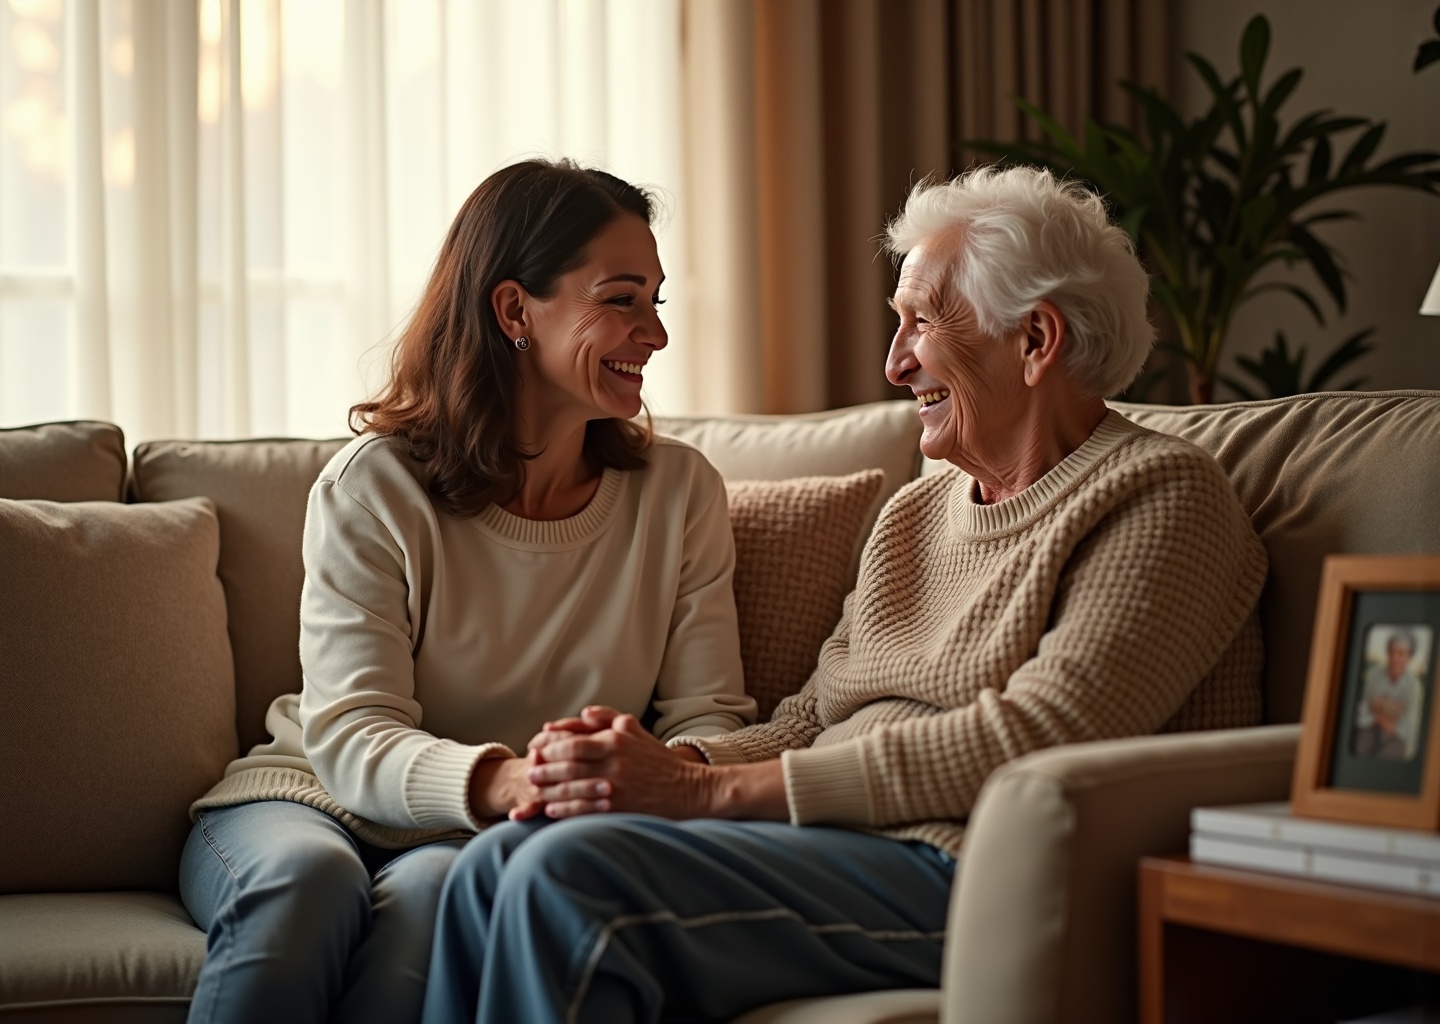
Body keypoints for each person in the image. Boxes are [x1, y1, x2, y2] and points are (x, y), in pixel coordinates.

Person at [420, 165, 1270, 1024]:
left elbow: (1039, 737)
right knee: (499, 858)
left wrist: (698, 796)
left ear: (1036, 339)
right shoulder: (917, 512)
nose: (894, 363)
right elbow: (810, 718)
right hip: (845, 849)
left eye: (921, 323)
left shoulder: (1163, 496)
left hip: (987, 872)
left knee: (564, 878)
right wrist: (656, 767)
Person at [177, 160, 756, 1024]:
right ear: (516, 310)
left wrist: (656, 781)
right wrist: (511, 780)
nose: (655, 335)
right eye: (621, 299)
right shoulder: (373, 488)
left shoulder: (680, 495)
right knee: (306, 886)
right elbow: (351, 733)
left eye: (656, 302)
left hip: (476, 836)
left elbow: (709, 716)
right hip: (309, 798)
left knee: (441, 896)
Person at [1353, 629, 1425, 760]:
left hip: (1396, 737)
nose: (1395, 658)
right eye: (1391, 652)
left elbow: (1411, 727)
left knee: (1386, 756)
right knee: (1360, 746)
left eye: (1401, 653)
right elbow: (1361, 708)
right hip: (1371, 727)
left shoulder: (1414, 686)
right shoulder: (1374, 675)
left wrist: (1389, 722)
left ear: (1409, 657)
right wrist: (1377, 719)